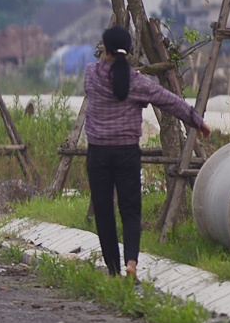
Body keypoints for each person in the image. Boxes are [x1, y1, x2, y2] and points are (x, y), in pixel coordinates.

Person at [85, 25, 211, 282]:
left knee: (104, 211)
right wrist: (196, 120)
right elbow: (169, 100)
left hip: (98, 153)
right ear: (130, 51)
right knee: (131, 210)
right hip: (126, 153)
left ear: (104, 50)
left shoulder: (91, 75)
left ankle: (113, 271)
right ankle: (131, 262)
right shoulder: (137, 81)